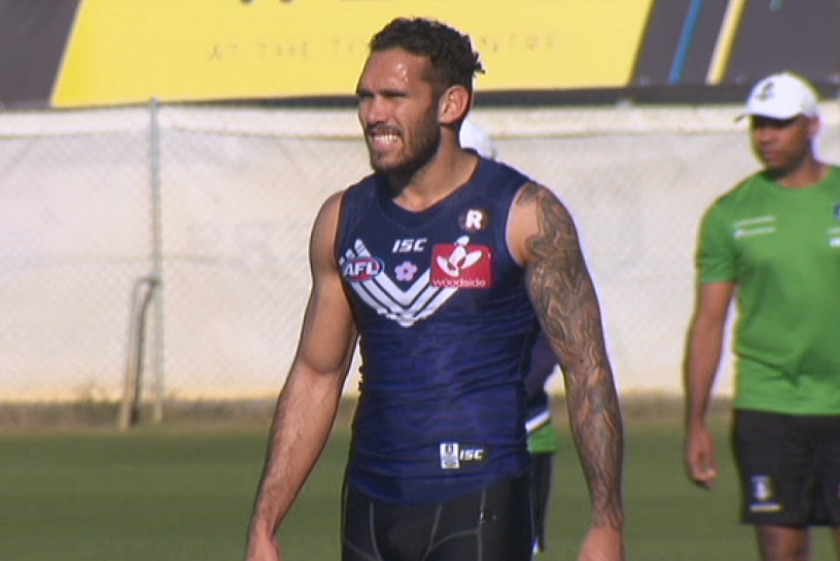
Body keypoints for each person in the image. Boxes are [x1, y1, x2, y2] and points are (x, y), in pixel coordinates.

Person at [246, 17, 625, 561]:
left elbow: (587, 368)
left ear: (451, 105)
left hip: (480, 502)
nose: (374, 114)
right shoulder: (342, 219)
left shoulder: (526, 217)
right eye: (366, 97)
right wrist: (265, 522)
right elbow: (317, 373)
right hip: (371, 507)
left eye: (395, 96)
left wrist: (606, 520)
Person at [684, 71, 840, 561]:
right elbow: (709, 322)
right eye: (757, 125)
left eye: (779, 124)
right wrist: (696, 421)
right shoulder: (730, 214)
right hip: (769, 409)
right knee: (782, 554)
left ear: (812, 126)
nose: (766, 136)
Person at [459, 121, 562, 557]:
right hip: (441, 434)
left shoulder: (524, 234)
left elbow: (554, 334)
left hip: (522, 428)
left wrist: (514, 390)